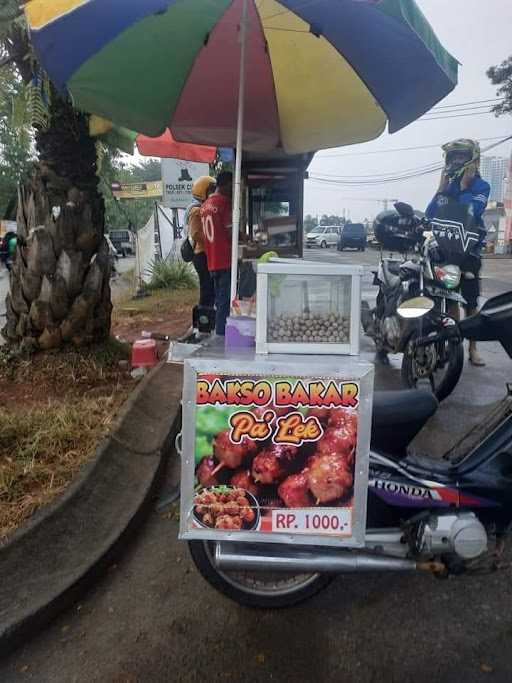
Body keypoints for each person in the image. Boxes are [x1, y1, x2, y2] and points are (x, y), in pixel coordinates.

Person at [426, 139, 490, 366]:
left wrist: (464, 187)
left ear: (472, 160)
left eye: (461, 157)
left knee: (470, 302)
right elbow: (430, 213)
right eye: (453, 158)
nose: (456, 161)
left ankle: (473, 348)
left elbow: (473, 211)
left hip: (469, 253)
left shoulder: (482, 187)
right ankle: (453, 344)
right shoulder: (448, 186)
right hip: (447, 251)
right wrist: (441, 188)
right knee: (450, 297)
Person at [200, 171, 233, 337]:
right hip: (225, 259)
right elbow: (229, 231)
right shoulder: (224, 202)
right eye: (231, 185)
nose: (232, 189)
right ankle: (221, 336)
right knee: (224, 302)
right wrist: (245, 238)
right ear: (226, 184)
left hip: (211, 260)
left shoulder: (205, 205)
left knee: (219, 300)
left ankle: (218, 332)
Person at [186, 175, 216, 309]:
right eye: (211, 190)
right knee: (206, 287)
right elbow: (196, 233)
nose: (213, 193)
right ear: (203, 191)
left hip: (205, 253)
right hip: (201, 254)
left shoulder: (204, 207)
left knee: (210, 287)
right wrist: (212, 242)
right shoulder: (196, 210)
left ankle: (207, 315)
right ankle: (203, 318)